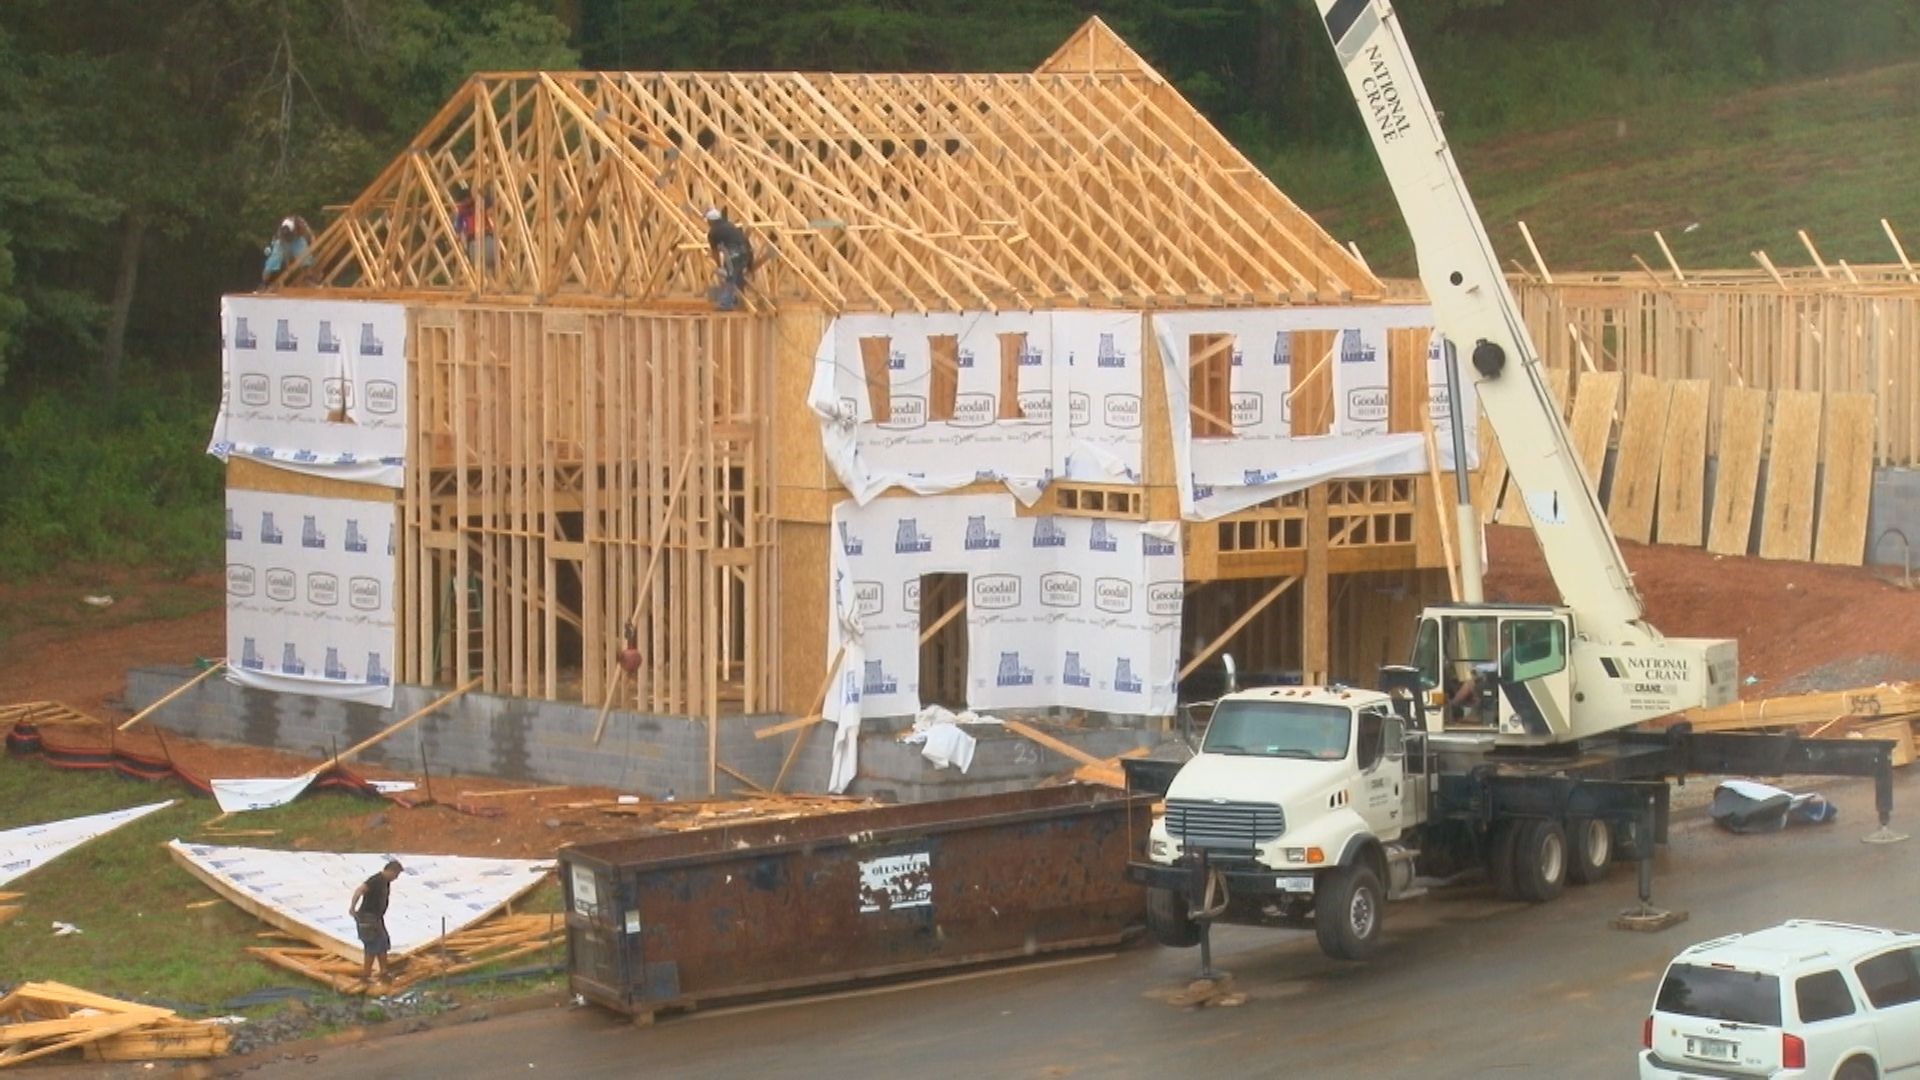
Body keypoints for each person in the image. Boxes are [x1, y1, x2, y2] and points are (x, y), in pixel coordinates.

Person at [348, 859, 405, 983]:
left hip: (377, 918)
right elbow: (359, 890)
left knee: (383, 943)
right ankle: (366, 975)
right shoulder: (376, 880)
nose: (396, 878)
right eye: (396, 875)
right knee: (372, 945)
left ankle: (383, 971)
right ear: (390, 870)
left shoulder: (386, 882)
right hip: (368, 917)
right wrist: (352, 908)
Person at [704, 208, 754, 310]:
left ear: (710, 220)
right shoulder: (730, 226)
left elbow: (715, 252)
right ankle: (737, 299)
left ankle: (725, 304)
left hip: (733, 255)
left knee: (730, 277)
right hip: (746, 253)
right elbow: (745, 241)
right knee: (738, 275)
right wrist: (750, 264)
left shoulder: (713, 232)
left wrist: (719, 266)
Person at [261, 215, 315, 285]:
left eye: (289, 235)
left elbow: (311, 235)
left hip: (297, 240)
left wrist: (313, 246)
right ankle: (264, 282)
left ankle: (308, 277)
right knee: (273, 261)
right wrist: (287, 265)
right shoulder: (281, 232)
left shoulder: (300, 223)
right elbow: (285, 249)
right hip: (282, 243)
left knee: (305, 257)